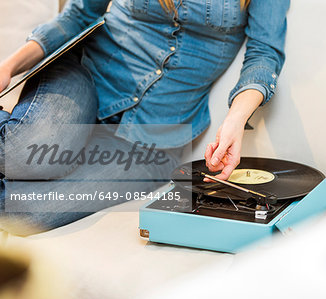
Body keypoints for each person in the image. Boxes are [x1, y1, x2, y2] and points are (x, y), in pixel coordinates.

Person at [0, 0, 289, 235]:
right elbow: (79, 14)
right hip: (84, 79)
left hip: (153, 140)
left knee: (28, 212)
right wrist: (8, 67)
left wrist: (235, 119)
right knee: (22, 152)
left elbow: (264, 53)